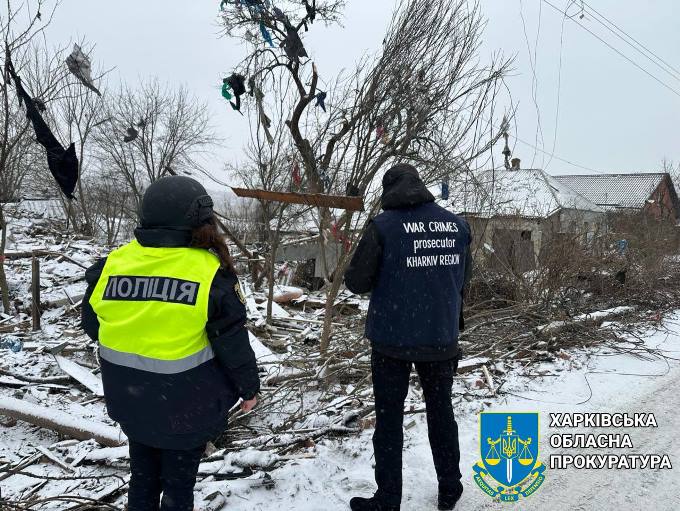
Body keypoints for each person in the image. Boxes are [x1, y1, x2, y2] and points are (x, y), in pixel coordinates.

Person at [81, 176, 260, 511]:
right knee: (178, 486)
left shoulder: (112, 265)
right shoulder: (210, 273)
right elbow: (232, 345)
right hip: (185, 410)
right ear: (199, 220)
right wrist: (248, 389)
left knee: (143, 479)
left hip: (131, 405)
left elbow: (93, 327)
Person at [345, 164, 472, 511]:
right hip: (440, 337)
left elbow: (356, 282)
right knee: (441, 412)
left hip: (392, 340)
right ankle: (450, 487)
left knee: (389, 419)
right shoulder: (457, 226)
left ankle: (388, 499)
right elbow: (464, 278)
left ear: (389, 191)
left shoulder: (383, 227)